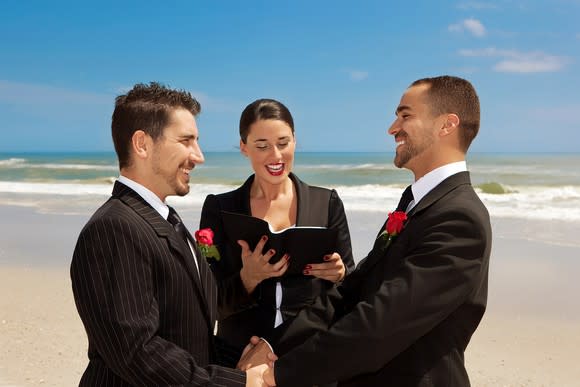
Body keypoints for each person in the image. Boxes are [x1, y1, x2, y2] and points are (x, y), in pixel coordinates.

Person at [262, 75, 492, 386]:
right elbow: (354, 289)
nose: (392, 127)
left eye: (405, 115)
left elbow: (380, 326)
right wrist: (274, 344)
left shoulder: (459, 218)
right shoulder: (414, 203)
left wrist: (278, 374)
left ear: (446, 125)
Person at [70, 82, 267, 386]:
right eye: (186, 141)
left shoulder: (168, 220)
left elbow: (190, 327)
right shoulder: (113, 229)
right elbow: (138, 353)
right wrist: (239, 383)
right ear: (142, 144)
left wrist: (242, 357)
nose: (198, 156)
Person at [199, 98, 355, 363]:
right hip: (236, 359)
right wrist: (248, 278)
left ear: (295, 140)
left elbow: (350, 289)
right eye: (262, 146)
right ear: (244, 147)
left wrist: (339, 274)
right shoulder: (220, 209)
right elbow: (207, 302)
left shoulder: (327, 203)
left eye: (283, 143)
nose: (276, 156)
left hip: (306, 358)